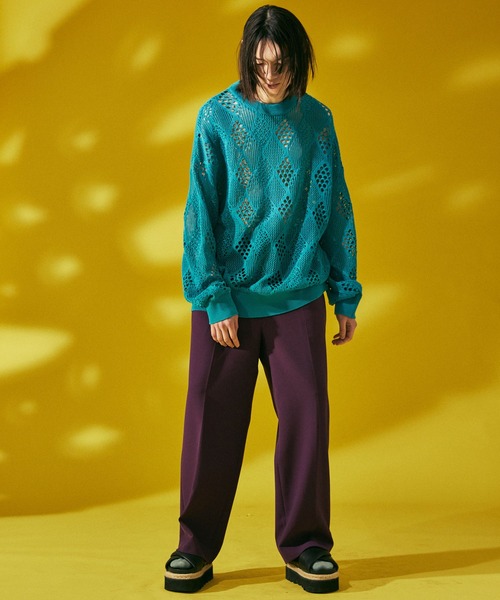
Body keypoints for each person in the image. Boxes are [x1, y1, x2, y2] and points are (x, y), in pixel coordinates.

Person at [164, 4, 362, 595]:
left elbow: (337, 207)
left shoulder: (317, 121)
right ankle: (194, 546)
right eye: (260, 64)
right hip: (226, 300)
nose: (271, 75)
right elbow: (200, 211)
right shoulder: (217, 118)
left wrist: (345, 292)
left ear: (300, 62)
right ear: (247, 61)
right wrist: (213, 297)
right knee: (211, 424)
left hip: (298, 295)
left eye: (281, 64)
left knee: (307, 420)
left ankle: (307, 546)